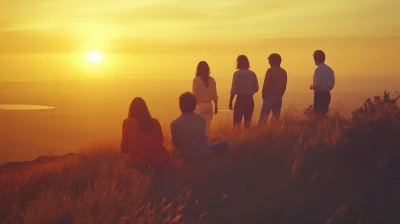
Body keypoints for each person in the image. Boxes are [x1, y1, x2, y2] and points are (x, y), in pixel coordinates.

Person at [171, 92, 229, 161]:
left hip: (185, 155)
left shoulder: (175, 123)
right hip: (203, 152)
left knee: (172, 152)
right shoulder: (201, 119)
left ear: (180, 106)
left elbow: (176, 143)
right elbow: (202, 137)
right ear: (195, 105)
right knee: (224, 144)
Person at [121, 97, 174, 170]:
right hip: (158, 163)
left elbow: (124, 149)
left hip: (137, 163)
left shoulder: (127, 123)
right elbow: (160, 142)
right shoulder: (155, 122)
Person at [229, 55, 259, 129]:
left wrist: (230, 101)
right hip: (250, 99)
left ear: (238, 63)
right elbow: (256, 88)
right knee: (247, 123)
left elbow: (233, 89)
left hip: (240, 99)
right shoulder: (252, 74)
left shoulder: (237, 74)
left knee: (236, 123)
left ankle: (236, 138)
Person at [258, 53, 287, 126]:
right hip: (279, 97)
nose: (268, 62)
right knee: (275, 118)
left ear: (272, 61)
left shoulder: (270, 71)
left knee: (263, 118)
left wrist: (264, 94)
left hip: (269, 97)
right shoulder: (283, 72)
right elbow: (284, 85)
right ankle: (274, 133)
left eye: (269, 60)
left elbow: (266, 83)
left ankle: (260, 133)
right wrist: (281, 95)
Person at [192, 61, 218, 133]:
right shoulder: (212, 80)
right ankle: (207, 141)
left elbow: (194, 95)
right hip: (209, 105)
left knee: (198, 127)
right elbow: (214, 95)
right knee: (207, 127)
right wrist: (216, 106)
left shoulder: (196, 80)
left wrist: (192, 107)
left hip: (199, 105)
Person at [310, 50, 335, 118]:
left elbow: (317, 85)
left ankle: (320, 128)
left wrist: (312, 86)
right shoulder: (330, 69)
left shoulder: (318, 70)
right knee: (324, 114)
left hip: (319, 95)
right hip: (327, 94)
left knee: (318, 115)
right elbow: (332, 84)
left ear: (316, 58)